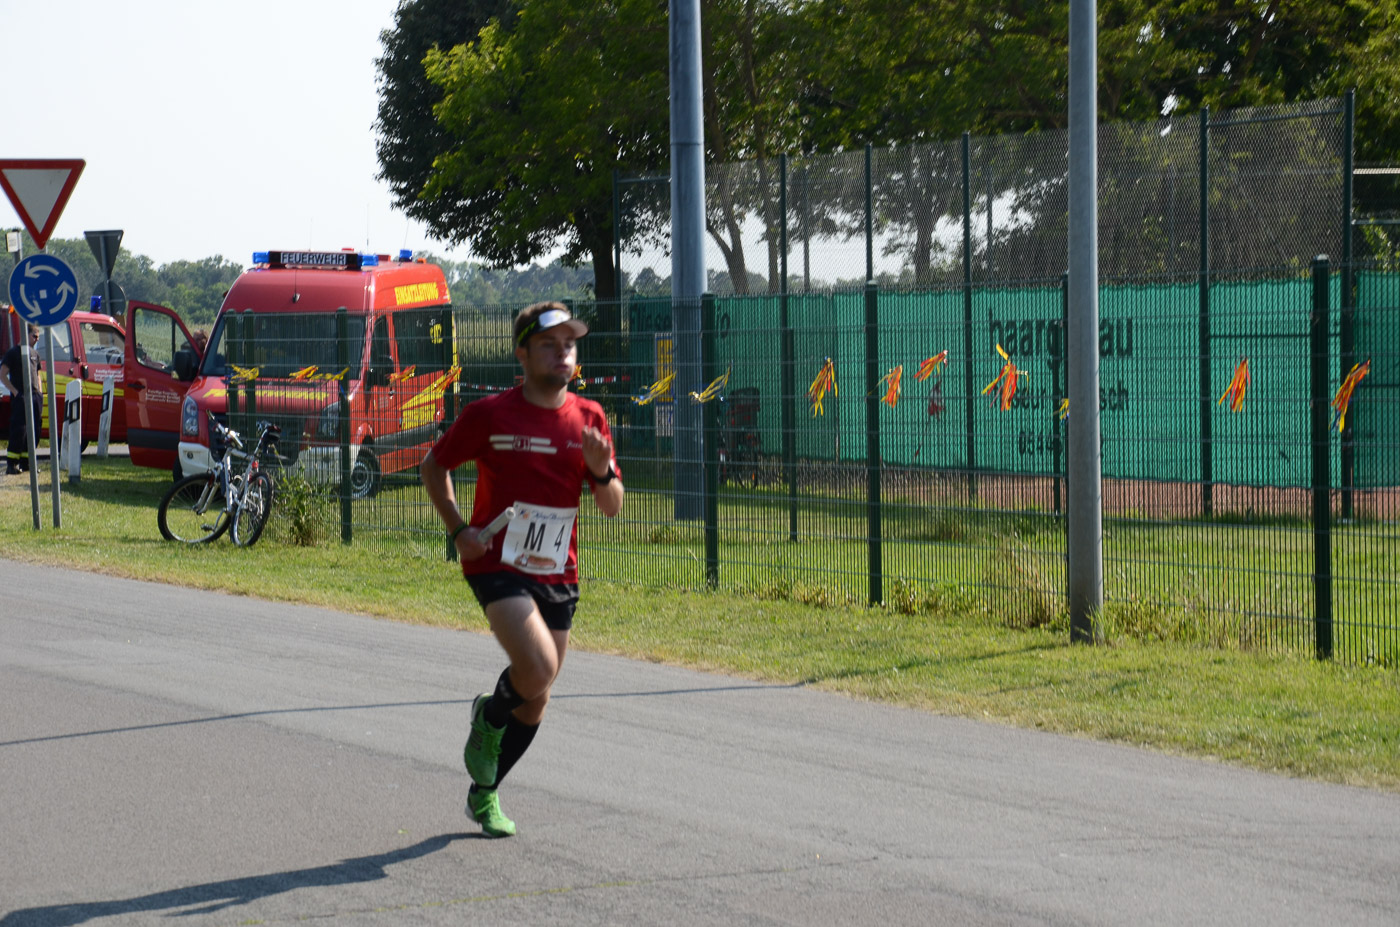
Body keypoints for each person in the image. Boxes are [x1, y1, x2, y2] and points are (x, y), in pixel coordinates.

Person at [420, 301, 624, 838]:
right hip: (497, 562)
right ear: (523, 353)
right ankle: (489, 716)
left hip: (558, 571)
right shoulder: (490, 415)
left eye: (569, 345)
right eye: (549, 345)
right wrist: (458, 530)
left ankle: (484, 794)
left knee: (537, 697)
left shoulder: (590, 418)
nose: (562, 354)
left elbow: (612, 506)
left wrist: (602, 472)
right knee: (536, 668)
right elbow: (434, 466)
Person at [2, 325, 44, 475]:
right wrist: (15, 392)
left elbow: (38, 374)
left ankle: (27, 463)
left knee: (35, 430)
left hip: (35, 397)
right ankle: (12, 464)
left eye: (38, 337)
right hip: (21, 397)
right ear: (25, 335)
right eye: (34, 336)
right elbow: (2, 374)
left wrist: (39, 392)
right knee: (19, 430)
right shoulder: (13, 353)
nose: (37, 339)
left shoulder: (35, 354)